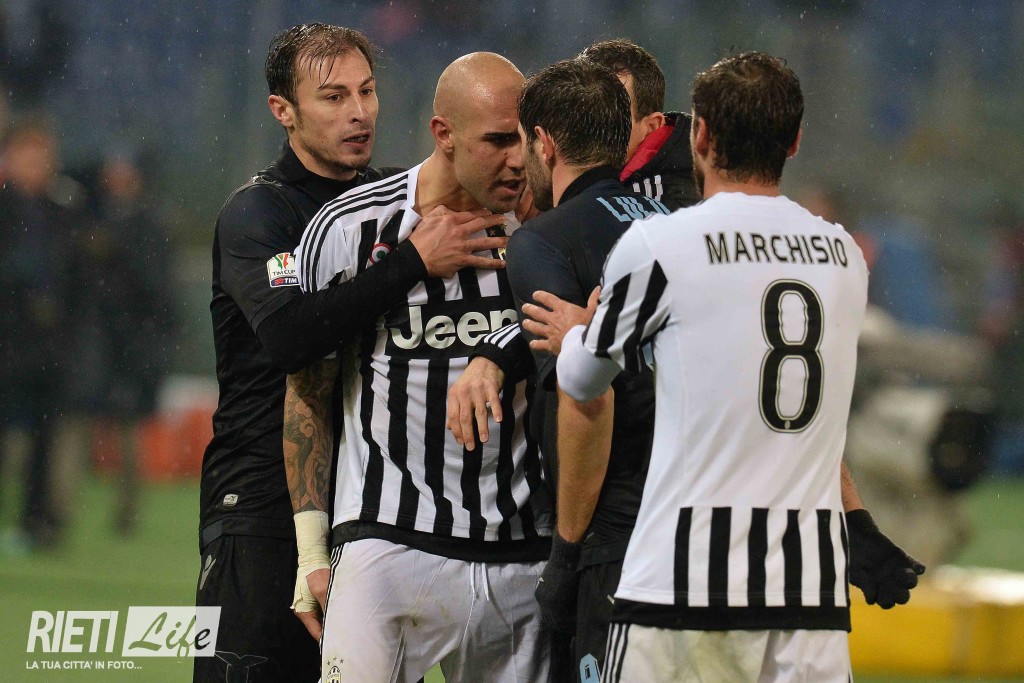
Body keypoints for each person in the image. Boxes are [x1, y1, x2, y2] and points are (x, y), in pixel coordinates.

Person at [552, 51, 888, 681]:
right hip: (807, 593)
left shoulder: (660, 245)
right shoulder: (844, 256)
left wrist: (579, 330)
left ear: (699, 135)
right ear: (794, 141)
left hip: (680, 589)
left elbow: (581, 380)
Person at [196, 24, 498, 683]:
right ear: (283, 111)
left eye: (367, 91)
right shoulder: (259, 215)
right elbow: (290, 336)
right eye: (333, 97)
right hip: (261, 509)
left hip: (380, 509)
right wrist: (411, 262)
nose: (359, 112)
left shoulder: (396, 201)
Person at [286, 52, 552, 682]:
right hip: (387, 542)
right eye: (497, 141)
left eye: (524, 139)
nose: (517, 159)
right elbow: (307, 388)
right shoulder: (351, 227)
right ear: (444, 134)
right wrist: (310, 549)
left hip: (522, 553)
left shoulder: (546, 231)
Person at [578, 39, 700, 211]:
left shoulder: (672, 206)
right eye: (581, 110)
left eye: (610, 113)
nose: (588, 126)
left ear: (652, 127)